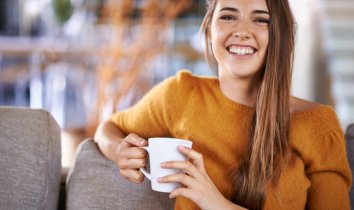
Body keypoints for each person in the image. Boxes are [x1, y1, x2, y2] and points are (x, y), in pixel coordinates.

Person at [94, 0, 352, 209]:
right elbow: (108, 128)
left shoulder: (319, 126)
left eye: (261, 19)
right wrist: (121, 152)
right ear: (209, 29)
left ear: (280, 34)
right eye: (228, 16)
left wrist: (213, 201)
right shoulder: (181, 94)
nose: (242, 30)